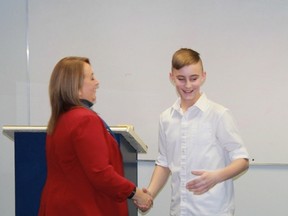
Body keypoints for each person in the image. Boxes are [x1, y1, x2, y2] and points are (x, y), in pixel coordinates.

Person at [38, 56, 153, 216]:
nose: (97, 82)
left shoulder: (61, 119)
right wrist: (136, 193)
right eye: (91, 77)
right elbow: (101, 173)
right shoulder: (85, 119)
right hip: (82, 208)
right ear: (76, 88)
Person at [143, 48, 249, 215]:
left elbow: (242, 160)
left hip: (213, 210)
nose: (188, 85)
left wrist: (216, 177)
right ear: (172, 77)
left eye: (193, 78)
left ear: (203, 76)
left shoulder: (219, 115)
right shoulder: (166, 118)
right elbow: (164, 163)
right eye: (181, 79)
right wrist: (149, 195)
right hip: (179, 210)